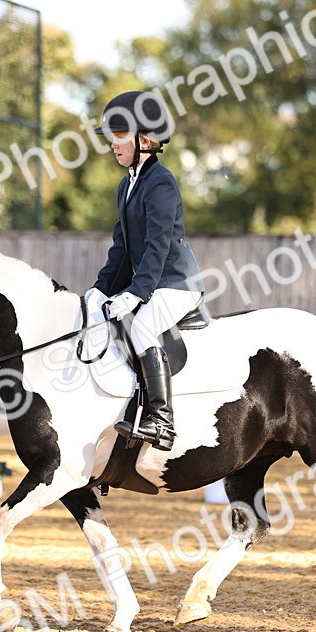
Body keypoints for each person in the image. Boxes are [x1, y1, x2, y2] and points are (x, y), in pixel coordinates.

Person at [86, 90, 206, 451]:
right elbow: (122, 248)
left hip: (175, 282)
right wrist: (101, 289)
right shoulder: (127, 185)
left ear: (144, 140)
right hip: (151, 281)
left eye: (119, 137)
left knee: (141, 326)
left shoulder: (161, 182)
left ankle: (162, 421)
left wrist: (136, 294)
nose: (112, 145)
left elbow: (157, 246)